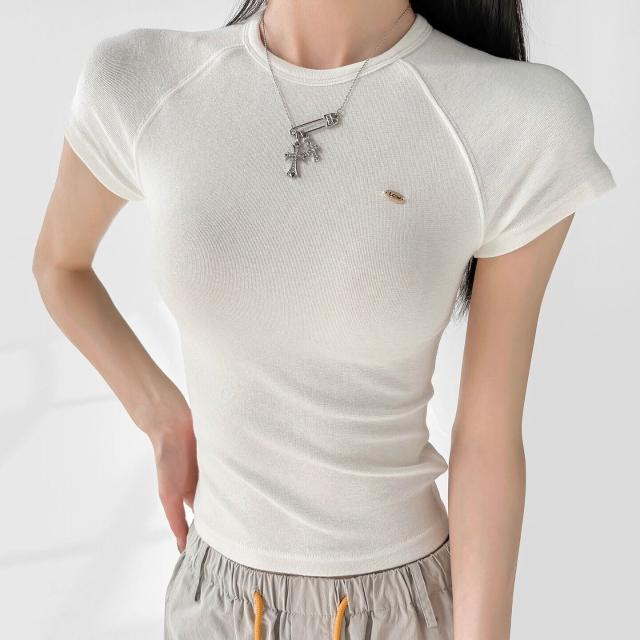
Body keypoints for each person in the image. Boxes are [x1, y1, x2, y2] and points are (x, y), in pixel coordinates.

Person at [33, 0, 616, 638]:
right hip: (211, 604)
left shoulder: (517, 118)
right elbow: (60, 266)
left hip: (396, 611)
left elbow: (486, 440)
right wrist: (162, 418)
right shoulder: (144, 81)